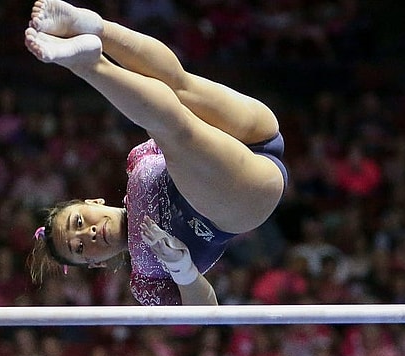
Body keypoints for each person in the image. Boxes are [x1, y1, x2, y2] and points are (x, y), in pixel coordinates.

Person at [26, 0, 288, 305]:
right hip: (246, 197)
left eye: (80, 223)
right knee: (175, 128)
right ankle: (89, 65)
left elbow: (165, 106)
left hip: (255, 133)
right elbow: (206, 313)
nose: (90, 235)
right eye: (80, 249)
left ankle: (91, 26)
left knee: (178, 88)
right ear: (95, 265)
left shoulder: (136, 160)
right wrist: (181, 268)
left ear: (92, 202)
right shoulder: (145, 281)